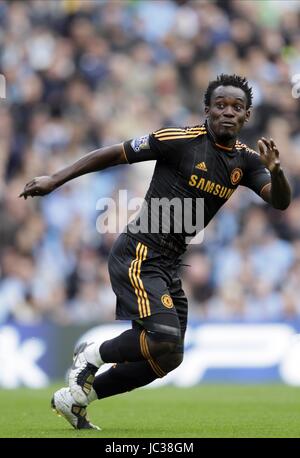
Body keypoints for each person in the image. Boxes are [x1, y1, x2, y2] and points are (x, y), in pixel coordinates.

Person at [19, 74, 291, 430]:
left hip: (168, 263)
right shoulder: (178, 140)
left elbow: (279, 201)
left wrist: (276, 170)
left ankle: (77, 398)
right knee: (163, 337)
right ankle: (91, 354)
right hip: (138, 252)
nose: (228, 112)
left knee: (168, 357)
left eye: (236, 108)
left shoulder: (247, 162)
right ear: (207, 109)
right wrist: (55, 179)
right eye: (220, 105)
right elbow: (114, 154)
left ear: (247, 116)